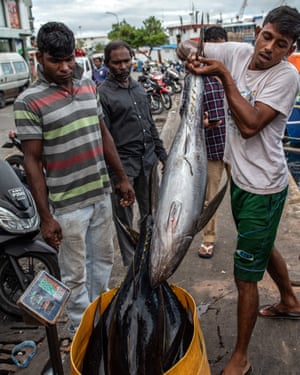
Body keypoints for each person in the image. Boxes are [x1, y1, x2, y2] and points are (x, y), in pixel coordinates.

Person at [177, 5, 300, 375]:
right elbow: (188, 45)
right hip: (241, 180)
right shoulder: (236, 51)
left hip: (264, 186)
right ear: (258, 31)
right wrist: (191, 55)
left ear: (290, 47)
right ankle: (291, 300)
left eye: (281, 44)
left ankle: (241, 357)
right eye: (266, 37)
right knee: (260, 244)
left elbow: (249, 126)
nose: (268, 48)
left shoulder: (286, 77)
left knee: (245, 275)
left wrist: (223, 77)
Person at [13, 22, 135, 332]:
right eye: (57, 61)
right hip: (68, 207)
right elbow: (32, 161)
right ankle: (81, 332)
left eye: (70, 58)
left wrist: (121, 178)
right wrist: (46, 217)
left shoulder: (87, 86)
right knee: (75, 275)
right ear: (39, 57)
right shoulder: (29, 101)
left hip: (100, 195)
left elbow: (102, 133)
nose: (66, 67)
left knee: (103, 264)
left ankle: (102, 320)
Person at [98, 40, 167, 266]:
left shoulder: (138, 88)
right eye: (116, 62)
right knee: (124, 220)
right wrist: (119, 177)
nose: (123, 66)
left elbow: (150, 125)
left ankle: (149, 257)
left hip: (148, 162)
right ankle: (132, 267)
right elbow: (104, 139)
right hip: (123, 168)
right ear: (107, 64)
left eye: (126, 61)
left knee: (150, 215)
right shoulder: (103, 94)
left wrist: (163, 156)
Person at [180, 26, 228, 259]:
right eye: (213, 47)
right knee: (209, 198)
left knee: (244, 196)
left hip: (237, 148)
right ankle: (209, 238)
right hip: (211, 147)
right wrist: (203, 122)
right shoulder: (195, 76)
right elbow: (184, 112)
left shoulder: (235, 73)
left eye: (222, 46)